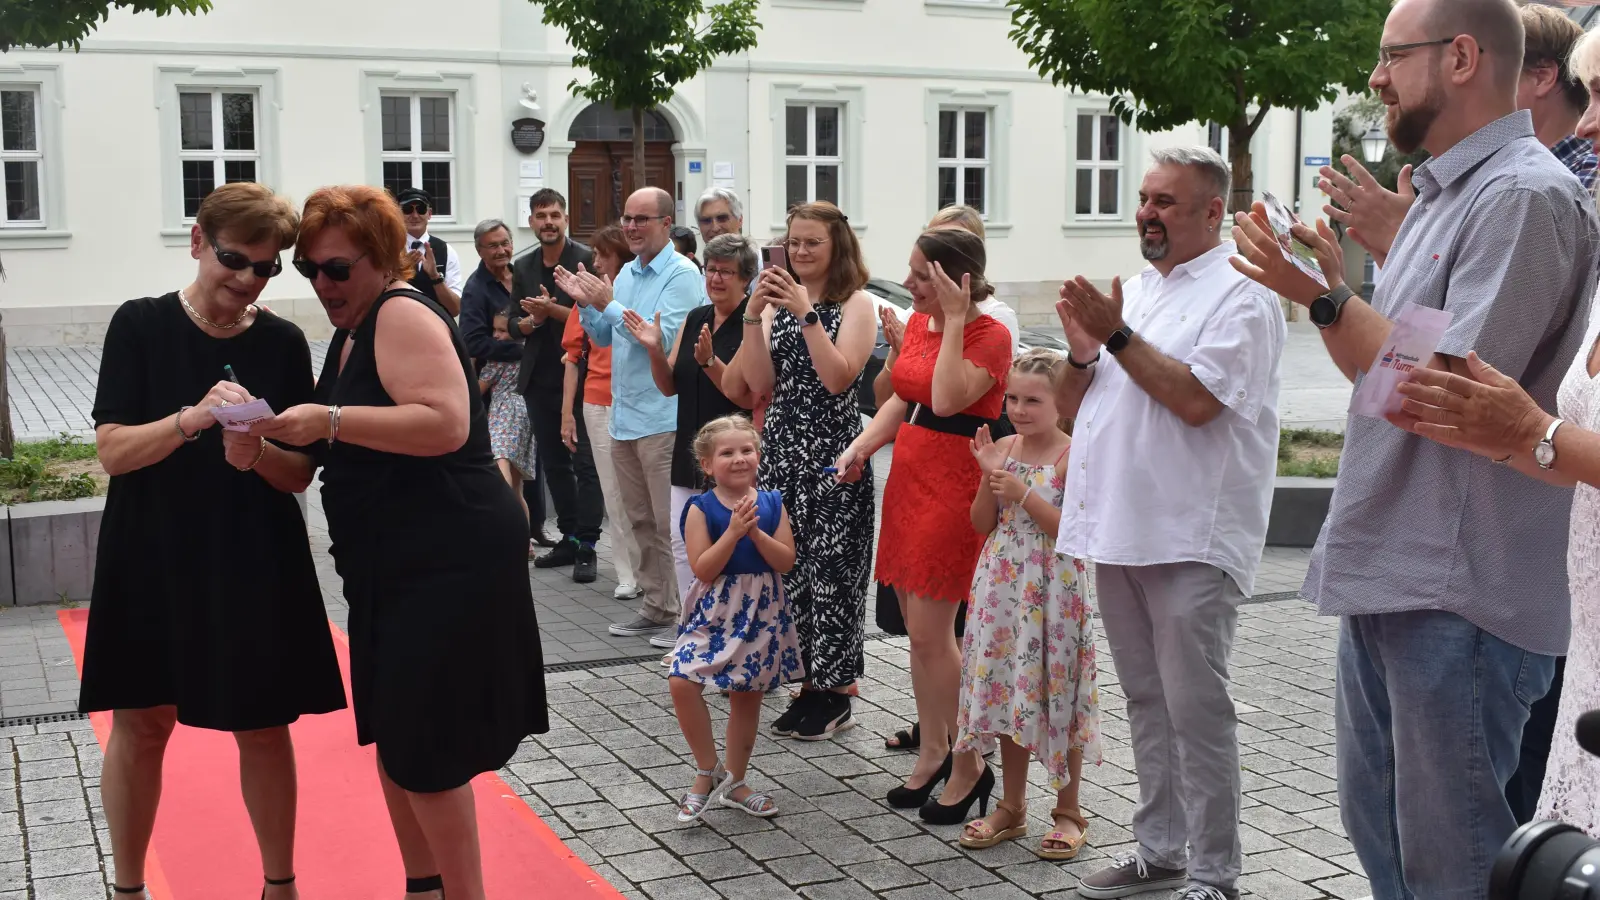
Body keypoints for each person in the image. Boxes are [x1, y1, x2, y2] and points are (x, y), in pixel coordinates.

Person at [1227, 1, 1599, 893]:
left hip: (1459, 590)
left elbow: (1436, 395)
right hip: (1400, 571)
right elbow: (1384, 378)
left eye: (1393, 55)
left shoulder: (1523, 195)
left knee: (1454, 868)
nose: (1375, 77)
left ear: (1462, 56)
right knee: (1387, 845)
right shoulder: (1443, 193)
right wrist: (1324, 295)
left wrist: (1318, 298)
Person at [255, 184, 548, 900]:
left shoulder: (399, 312)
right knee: (397, 733)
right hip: (395, 561)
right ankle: (423, 887)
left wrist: (328, 419)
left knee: (428, 747)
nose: (323, 284)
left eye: (336, 269)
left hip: (447, 557)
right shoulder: (357, 325)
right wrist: (252, 446)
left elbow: (446, 424)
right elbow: (304, 470)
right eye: (309, 270)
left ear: (381, 258)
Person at [84, 182, 346, 900]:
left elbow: (298, 478)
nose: (248, 278)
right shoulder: (140, 326)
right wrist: (193, 419)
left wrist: (257, 453)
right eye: (237, 259)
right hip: (152, 550)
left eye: (267, 268)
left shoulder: (283, 342)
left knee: (262, 726)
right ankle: (129, 888)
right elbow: (111, 451)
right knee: (141, 723)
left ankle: (280, 886)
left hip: (251, 554)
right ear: (198, 240)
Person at [1053, 147, 1284, 900]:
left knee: (1198, 710)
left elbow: (1195, 402)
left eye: (1167, 202)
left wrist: (1116, 336)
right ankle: (1160, 851)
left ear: (1213, 212)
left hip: (1190, 535)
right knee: (1148, 703)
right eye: (1145, 198)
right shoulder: (1143, 292)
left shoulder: (1243, 295)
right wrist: (1086, 353)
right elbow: (1069, 408)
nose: (1148, 213)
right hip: (1121, 531)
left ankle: (1216, 876)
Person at [836, 228, 1010, 817]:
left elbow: (944, 398)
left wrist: (955, 323)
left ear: (954, 279)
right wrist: (860, 446)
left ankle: (970, 760)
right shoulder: (916, 324)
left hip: (954, 487)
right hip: (909, 478)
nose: (907, 284)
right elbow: (902, 399)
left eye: (919, 275)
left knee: (937, 636)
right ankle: (933, 748)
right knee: (917, 633)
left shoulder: (992, 335)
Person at [725, 201, 877, 741]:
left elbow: (839, 380)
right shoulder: (775, 305)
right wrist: (751, 315)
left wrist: (807, 314)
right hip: (784, 447)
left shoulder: (858, 303)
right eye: (793, 242)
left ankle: (837, 692)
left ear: (837, 246)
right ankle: (808, 683)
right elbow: (759, 381)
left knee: (834, 573)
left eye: (812, 242)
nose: (801, 252)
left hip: (836, 453)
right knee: (790, 574)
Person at [1320, 2, 1598, 272]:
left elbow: (1450, 319)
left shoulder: (1542, 189)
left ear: (1542, 77)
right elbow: (1420, 315)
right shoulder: (1478, 181)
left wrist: (1414, 249)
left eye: (1504, 74)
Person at [955, 351, 1100, 860]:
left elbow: (1077, 532)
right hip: (1002, 583)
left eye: (1032, 399)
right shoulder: (1004, 446)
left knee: (1057, 689)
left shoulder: (1075, 452)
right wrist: (988, 476)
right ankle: (1012, 806)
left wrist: (1024, 493)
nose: (1017, 408)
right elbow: (980, 523)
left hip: (1054, 585)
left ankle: (1068, 810)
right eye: (1012, 397)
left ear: (1060, 400)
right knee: (1008, 690)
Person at [562, 187, 708, 642]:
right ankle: (656, 605)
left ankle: (688, 617)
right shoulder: (625, 272)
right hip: (625, 415)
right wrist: (587, 304)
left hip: (662, 417)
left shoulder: (682, 275)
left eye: (642, 219)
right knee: (638, 519)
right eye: (627, 217)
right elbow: (604, 338)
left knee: (671, 526)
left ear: (667, 224)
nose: (631, 227)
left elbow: (662, 339)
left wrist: (606, 303)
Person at [667, 416, 801, 823]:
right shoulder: (700, 508)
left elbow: (786, 560)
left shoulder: (773, 502)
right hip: (715, 611)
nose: (739, 459)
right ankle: (708, 770)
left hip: (761, 611)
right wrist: (733, 532)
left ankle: (736, 782)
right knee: (681, 679)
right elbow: (704, 568)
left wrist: (757, 534)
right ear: (707, 465)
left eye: (747, 450)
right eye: (727, 453)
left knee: (747, 696)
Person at [633, 232, 758, 605]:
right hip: (690, 448)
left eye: (726, 272)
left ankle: (727, 629)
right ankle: (691, 630)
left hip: (733, 453)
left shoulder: (754, 321)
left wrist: (710, 362)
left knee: (728, 544)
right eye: (711, 270)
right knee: (682, 541)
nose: (716, 278)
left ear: (746, 278)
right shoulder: (696, 317)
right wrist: (655, 351)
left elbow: (747, 394)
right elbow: (670, 385)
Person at [511, 189, 604, 583]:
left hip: (583, 374)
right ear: (531, 221)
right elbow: (516, 323)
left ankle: (588, 545)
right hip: (539, 376)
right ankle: (567, 535)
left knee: (586, 464)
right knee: (554, 464)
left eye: (554, 215)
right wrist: (533, 319)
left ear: (565, 218)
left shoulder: (585, 260)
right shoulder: (524, 265)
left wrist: (552, 311)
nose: (547, 222)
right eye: (540, 215)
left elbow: (595, 316)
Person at [560, 225, 642, 601]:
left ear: (620, 255)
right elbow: (573, 356)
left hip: (640, 397)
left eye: (601, 254)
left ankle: (651, 572)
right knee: (613, 491)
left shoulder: (640, 289)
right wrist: (567, 414)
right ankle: (627, 573)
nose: (594, 261)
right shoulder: (588, 295)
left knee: (642, 493)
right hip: (598, 399)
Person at [460, 220, 538, 523]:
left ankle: (534, 528)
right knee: (503, 460)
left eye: (505, 242)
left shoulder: (523, 274)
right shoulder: (476, 288)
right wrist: (523, 351)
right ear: (480, 250)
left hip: (537, 384)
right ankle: (510, 528)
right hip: (501, 392)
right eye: (493, 245)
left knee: (524, 467)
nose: (502, 249)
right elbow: (471, 341)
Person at [396, 187, 462, 317]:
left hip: (437, 326)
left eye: (420, 209)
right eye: (407, 210)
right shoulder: (388, 248)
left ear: (429, 214)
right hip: (398, 323)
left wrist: (435, 277)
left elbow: (455, 309)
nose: (415, 216)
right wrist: (400, 271)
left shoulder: (446, 251)